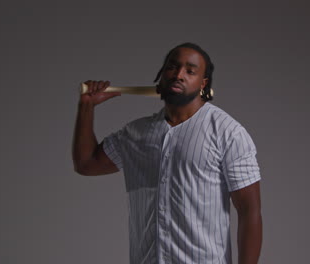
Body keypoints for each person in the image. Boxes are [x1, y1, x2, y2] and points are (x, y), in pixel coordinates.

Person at [72, 43, 262, 264]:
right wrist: (86, 107)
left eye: (190, 71)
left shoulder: (227, 133)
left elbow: (250, 212)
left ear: (203, 84)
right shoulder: (135, 133)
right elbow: (86, 164)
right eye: (172, 67)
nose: (179, 75)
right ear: (161, 76)